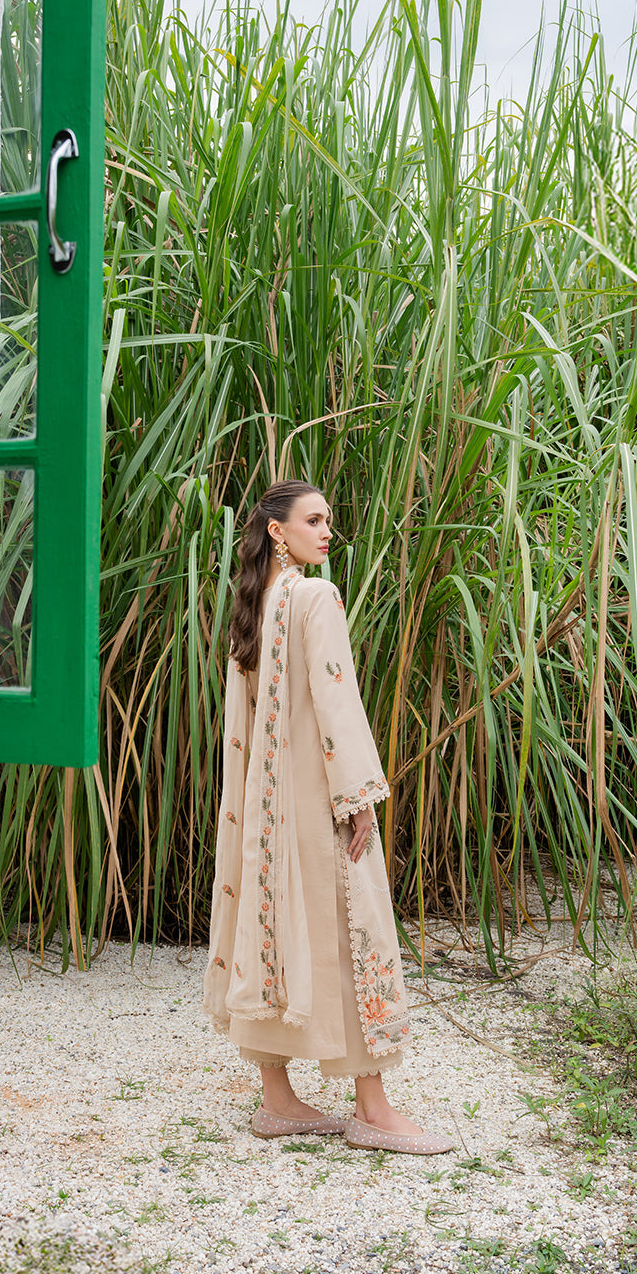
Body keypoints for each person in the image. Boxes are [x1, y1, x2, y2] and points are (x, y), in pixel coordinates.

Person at [203, 480, 452, 1154]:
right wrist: (357, 796)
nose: (326, 532)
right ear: (276, 530)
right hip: (315, 796)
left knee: (272, 929)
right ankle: (372, 1110)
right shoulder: (314, 596)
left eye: (329, 521)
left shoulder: (255, 604)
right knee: (350, 930)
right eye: (313, 520)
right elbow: (336, 699)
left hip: (265, 807)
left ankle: (278, 1101)